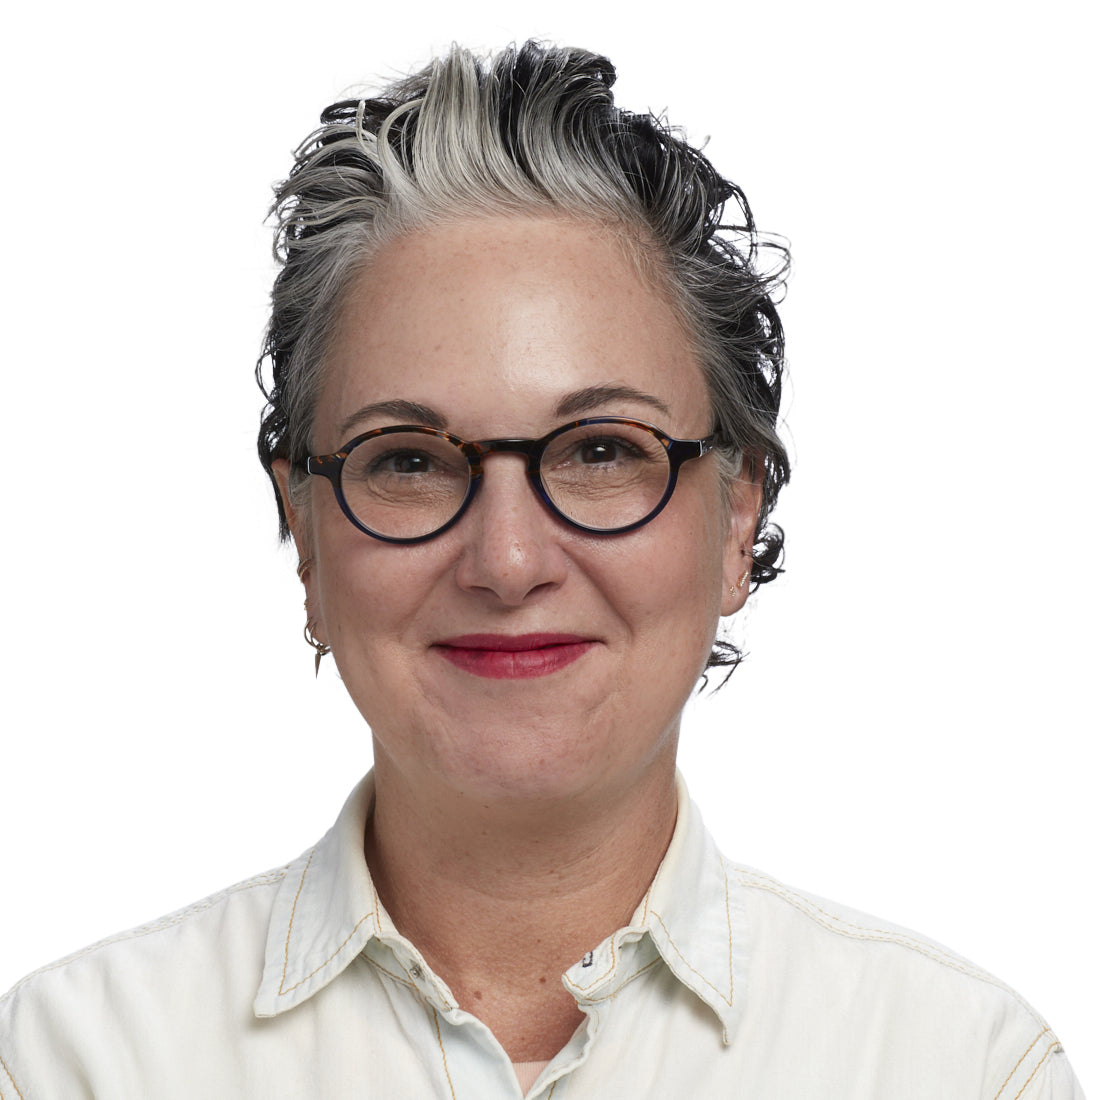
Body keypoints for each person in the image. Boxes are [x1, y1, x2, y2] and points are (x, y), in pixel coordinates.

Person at [0, 41, 1085, 1100]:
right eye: (409, 461)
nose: (508, 560)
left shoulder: (963, 1070)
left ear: (734, 519)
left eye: (602, 451)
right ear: (306, 533)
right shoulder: (69, 1064)